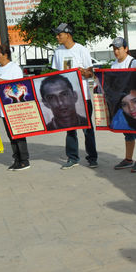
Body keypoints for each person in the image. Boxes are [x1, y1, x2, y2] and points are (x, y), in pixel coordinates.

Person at [51, 22, 98, 169]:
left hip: (82, 97)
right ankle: (72, 158)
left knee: (87, 128)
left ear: (68, 35)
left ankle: (92, 158)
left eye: (60, 34)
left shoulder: (81, 50)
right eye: (57, 34)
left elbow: (91, 73)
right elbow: (56, 74)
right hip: (65, 99)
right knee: (70, 128)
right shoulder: (57, 52)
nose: (57, 37)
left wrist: (84, 72)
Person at [108, 37, 136, 173]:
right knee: (127, 132)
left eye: (118, 48)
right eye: (114, 49)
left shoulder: (133, 62)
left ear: (126, 49)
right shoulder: (114, 65)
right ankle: (128, 159)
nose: (116, 51)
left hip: (135, 104)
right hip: (122, 104)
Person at [0, 44, 29, 170]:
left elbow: (19, 85)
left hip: (13, 106)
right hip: (0, 107)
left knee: (18, 133)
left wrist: (2, 80)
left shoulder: (14, 68)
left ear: (5, 55)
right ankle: (16, 159)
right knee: (10, 134)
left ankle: (24, 160)